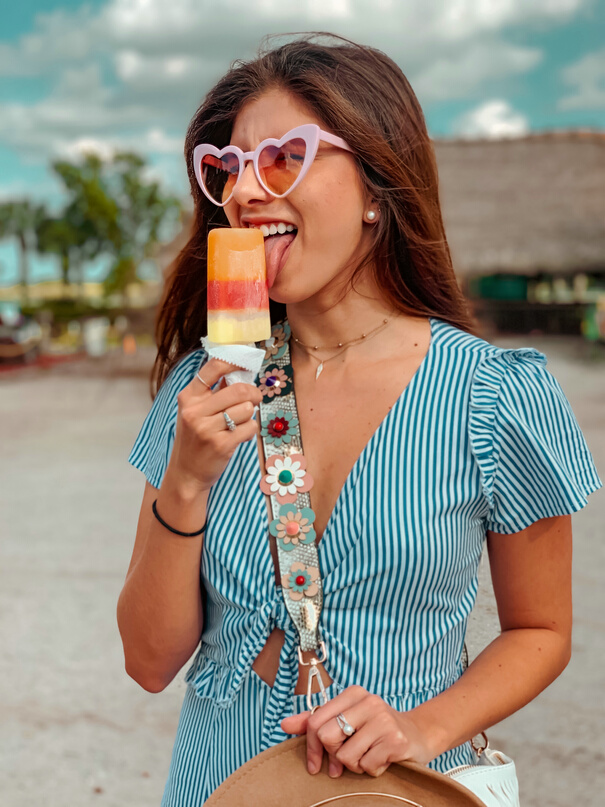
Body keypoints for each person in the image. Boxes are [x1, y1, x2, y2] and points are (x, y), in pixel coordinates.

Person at [117, 34, 601, 806]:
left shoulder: (493, 395)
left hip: (389, 791)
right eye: (228, 167)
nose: (244, 191)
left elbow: (540, 630)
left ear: (377, 181)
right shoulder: (201, 390)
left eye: (283, 157)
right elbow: (147, 660)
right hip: (217, 785)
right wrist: (184, 480)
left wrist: (421, 727)